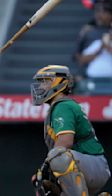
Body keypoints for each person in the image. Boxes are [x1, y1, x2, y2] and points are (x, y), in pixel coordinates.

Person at [30, 65, 110, 195]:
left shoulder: (63, 105)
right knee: (44, 183)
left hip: (94, 165)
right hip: (88, 166)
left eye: (45, 81)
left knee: (57, 156)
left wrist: (46, 166)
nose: (41, 87)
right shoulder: (62, 105)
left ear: (59, 82)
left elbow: (65, 141)